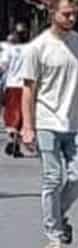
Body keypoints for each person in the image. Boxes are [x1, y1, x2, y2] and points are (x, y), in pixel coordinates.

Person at [20, 0, 78, 248]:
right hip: (46, 122)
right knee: (52, 179)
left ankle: (58, 214)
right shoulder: (37, 47)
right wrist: (28, 126)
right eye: (66, 14)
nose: (71, 18)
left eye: (74, 14)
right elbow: (28, 90)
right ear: (52, 14)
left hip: (76, 122)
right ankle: (54, 236)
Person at [2, 24, 29, 158]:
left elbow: (3, 66)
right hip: (26, 86)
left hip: (12, 84)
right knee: (23, 114)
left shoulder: (10, 50)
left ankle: (12, 140)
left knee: (11, 114)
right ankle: (16, 143)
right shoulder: (31, 49)